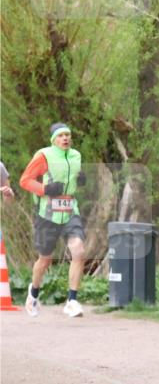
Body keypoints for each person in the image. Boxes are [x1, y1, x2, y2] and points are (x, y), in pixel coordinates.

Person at [18, 122, 87, 318]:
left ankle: (72, 301)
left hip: (70, 211)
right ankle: (33, 294)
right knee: (45, 259)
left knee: (78, 251)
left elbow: (73, 180)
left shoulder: (76, 156)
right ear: (53, 139)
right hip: (47, 214)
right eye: (60, 135)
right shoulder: (44, 155)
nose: (65, 138)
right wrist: (46, 190)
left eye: (67, 135)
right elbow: (25, 181)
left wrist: (80, 180)